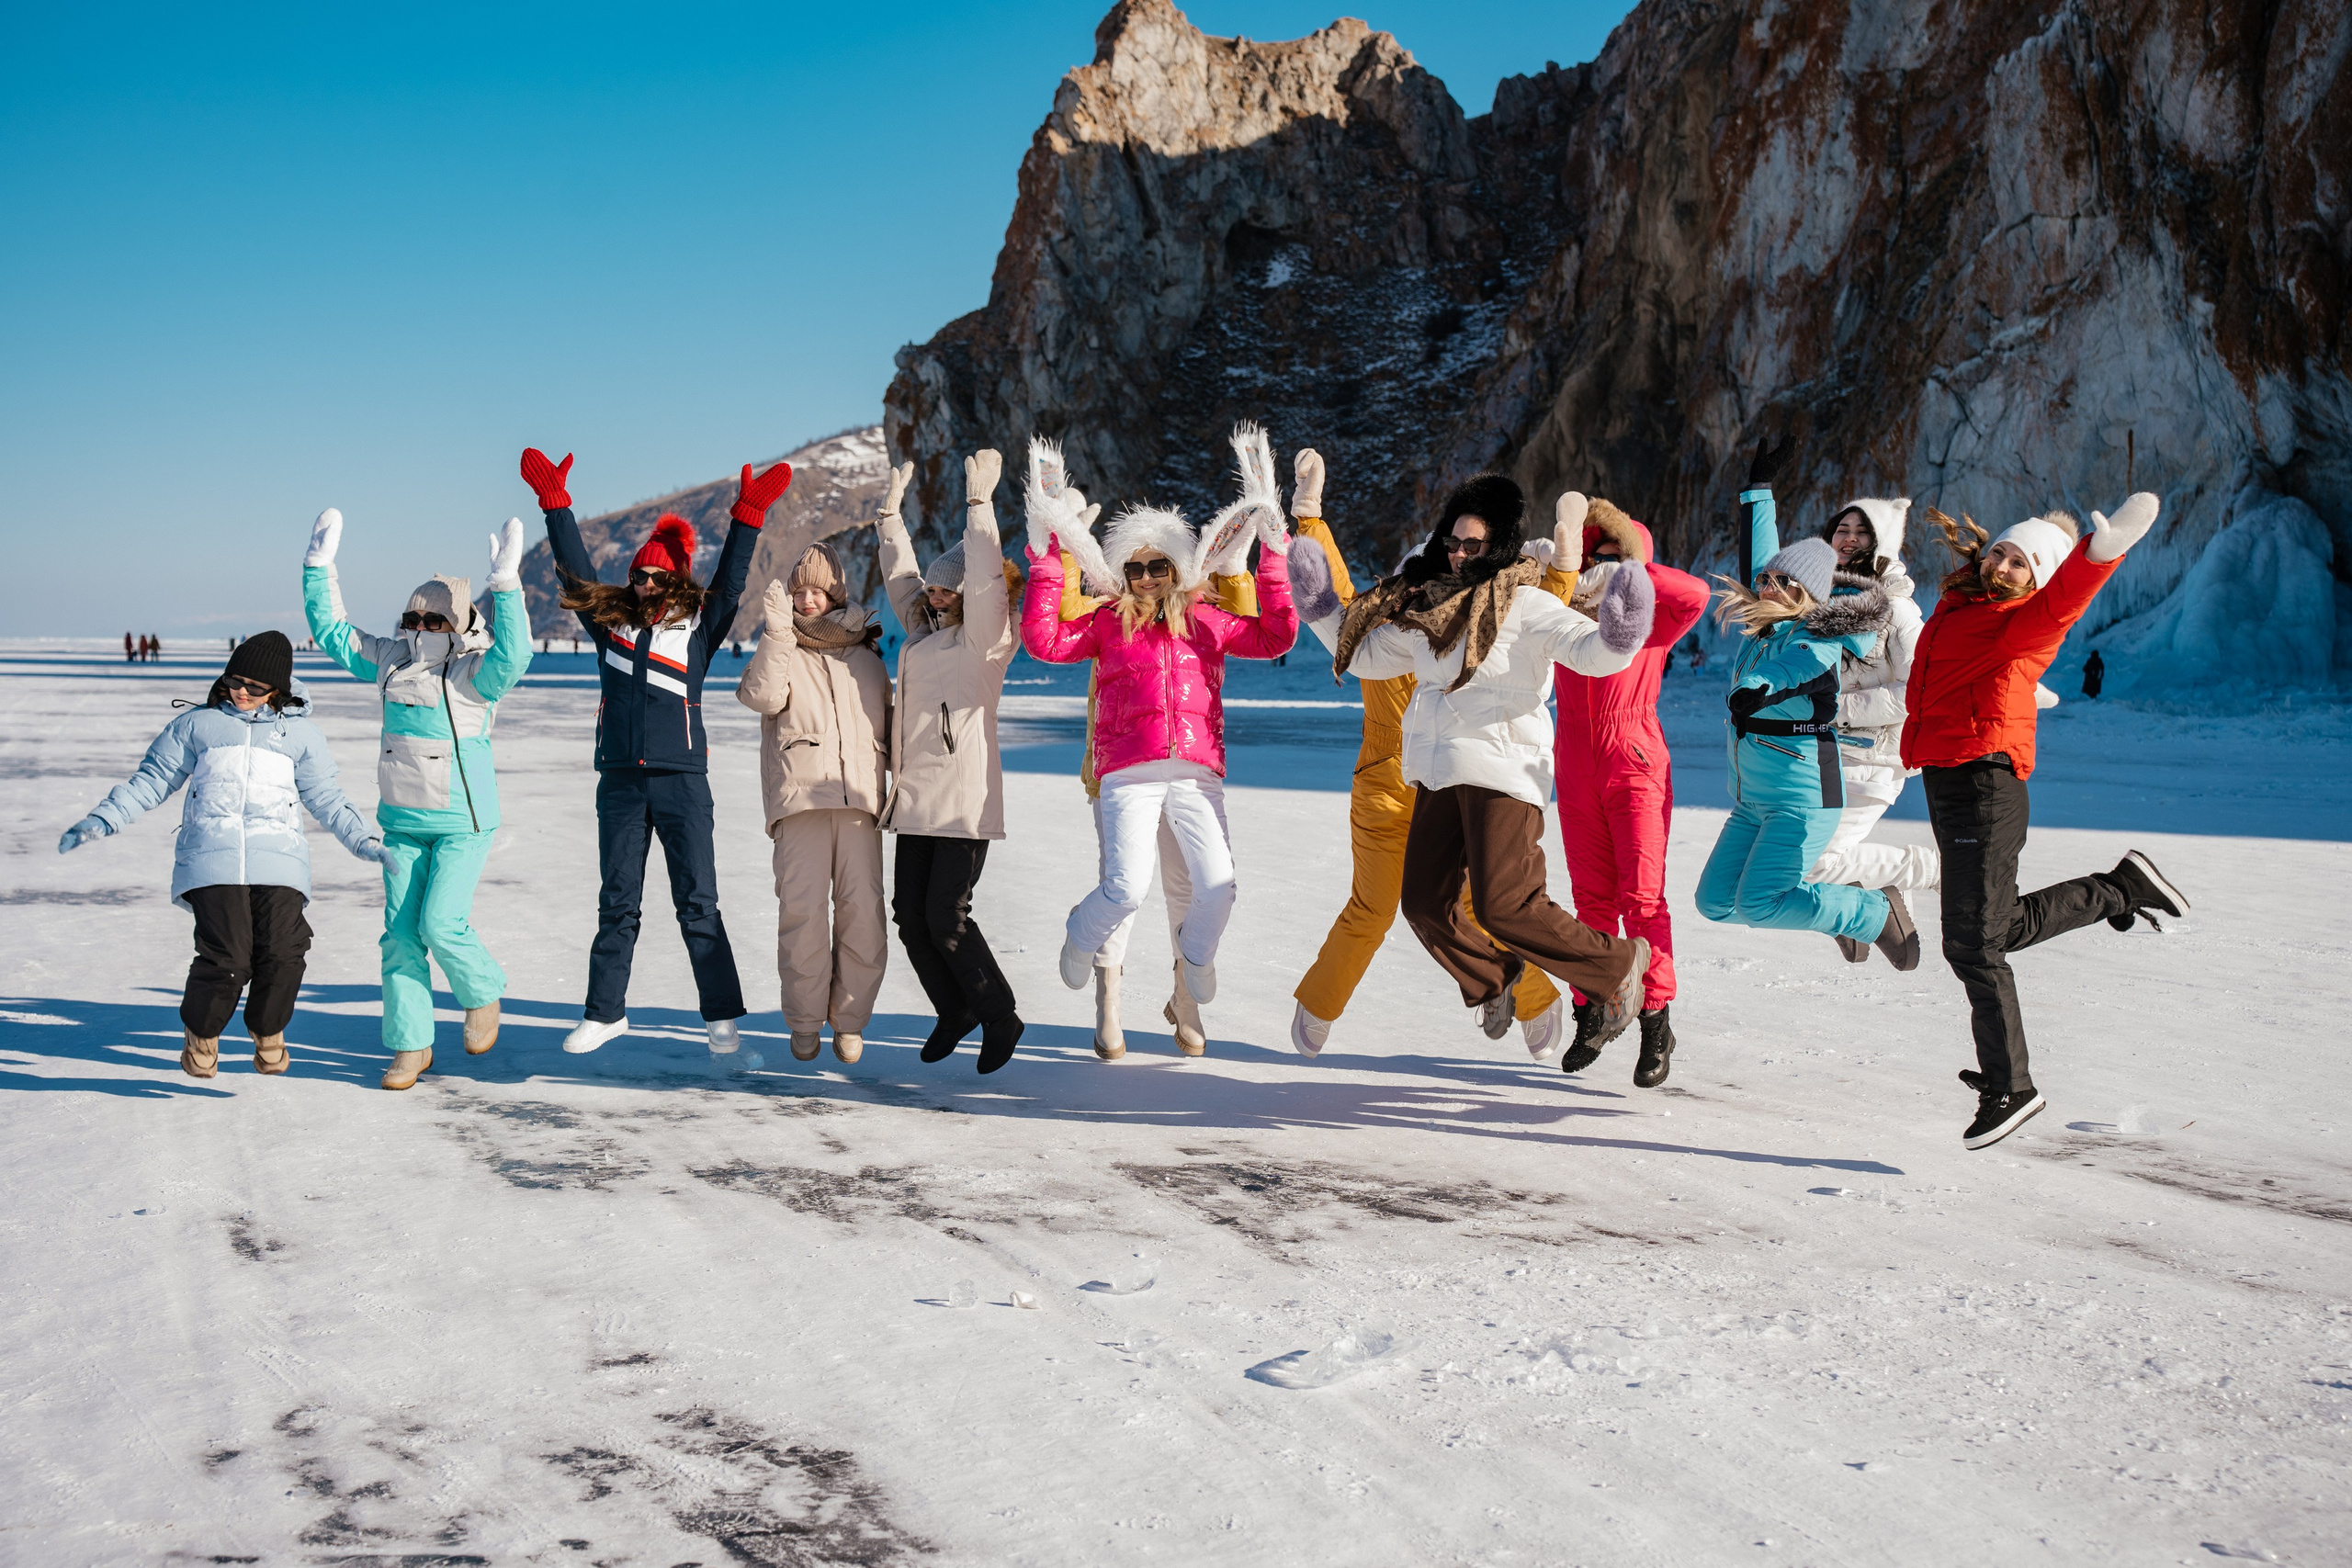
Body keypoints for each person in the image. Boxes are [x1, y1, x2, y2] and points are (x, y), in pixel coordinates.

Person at [1331, 474, 1657, 1062]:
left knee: (1507, 904)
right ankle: (1494, 980)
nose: (1458, 553)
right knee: (1425, 903)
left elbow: (1587, 650)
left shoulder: (1528, 603)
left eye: (1472, 545)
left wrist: (1622, 631)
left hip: (1504, 768)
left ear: (1499, 546)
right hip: (1438, 766)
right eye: (1453, 541)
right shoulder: (1434, 605)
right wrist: (1324, 612)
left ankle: (1617, 963)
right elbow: (1372, 656)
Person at [1903, 494, 2185, 1148]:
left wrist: (2097, 556)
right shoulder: (1959, 605)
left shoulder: (2019, 622)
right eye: (2001, 550)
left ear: (2038, 578)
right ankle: (2120, 888)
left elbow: (2062, 606)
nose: (2002, 565)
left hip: (1984, 784)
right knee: (1990, 932)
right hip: (1949, 781)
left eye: (2021, 564)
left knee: (1974, 944)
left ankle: (2012, 1087)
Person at [1288, 454, 1572, 1061]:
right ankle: (1319, 1002)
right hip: (1384, 791)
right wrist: (1308, 517)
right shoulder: (1381, 632)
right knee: (1374, 906)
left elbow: (1537, 620)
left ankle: (1532, 999)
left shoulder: (1477, 629)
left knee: (1476, 902)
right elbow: (1334, 593)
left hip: (1450, 785)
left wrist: (1559, 570)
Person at [1020, 429, 1299, 1041]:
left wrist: (1273, 555)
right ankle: (1080, 933)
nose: (1147, 578)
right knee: (1124, 886)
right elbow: (1044, 640)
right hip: (1128, 772)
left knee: (1218, 886)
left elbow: (1276, 635)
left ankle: (1195, 958)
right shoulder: (1105, 624)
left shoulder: (1207, 622)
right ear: (1122, 572)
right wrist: (1045, 563)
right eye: (1136, 568)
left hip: (1197, 773)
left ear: (1178, 568)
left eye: (1159, 566)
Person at [522, 447, 781, 1057]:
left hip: (682, 781)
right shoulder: (608, 621)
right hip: (619, 783)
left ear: (676, 581)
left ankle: (721, 1016)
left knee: (698, 904)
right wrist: (556, 506)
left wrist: (747, 514)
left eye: (653, 577)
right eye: (637, 575)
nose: (641, 584)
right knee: (618, 903)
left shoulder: (700, 625)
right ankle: (605, 1012)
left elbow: (734, 578)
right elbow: (577, 570)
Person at [58, 633, 386, 1077]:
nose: (242, 693)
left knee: (285, 950)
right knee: (228, 956)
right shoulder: (197, 725)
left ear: (278, 689)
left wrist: (362, 839)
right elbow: (152, 780)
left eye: (255, 687)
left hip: (280, 859)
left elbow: (327, 796)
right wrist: (103, 819)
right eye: (235, 681)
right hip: (210, 857)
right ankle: (202, 1033)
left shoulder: (302, 735)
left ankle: (269, 1031)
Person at [302, 508, 533, 1089]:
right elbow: (334, 634)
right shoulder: (389, 662)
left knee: (440, 922)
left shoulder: (475, 674)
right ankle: (411, 1046)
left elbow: (517, 655)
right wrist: (318, 567)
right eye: (413, 615)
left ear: (456, 625)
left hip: (463, 823)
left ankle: (481, 995)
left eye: (434, 619)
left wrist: (505, 585)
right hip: (403, 825)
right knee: (400, 937)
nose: (421, 625)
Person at [1737, 443, 1940, 961]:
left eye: (1861, 531)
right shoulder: (1818, 599)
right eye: (1841, 529)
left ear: (1881, 543)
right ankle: (1859, 906)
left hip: (1872, 759)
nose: (1848, 538)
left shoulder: (1895, 609)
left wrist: (1839, 711)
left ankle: (1923, 872)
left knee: (1812, 866)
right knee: (1790, 862)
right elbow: (1764, 575)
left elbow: (1917, 691)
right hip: (1820, 759)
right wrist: (1758, 495)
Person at [1546, 492, 1711, 1081]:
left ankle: (1656, 1022)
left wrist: (1634, 569)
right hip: (1575, 762)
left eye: (1621, 555)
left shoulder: (1654, 617)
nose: (1608, 568)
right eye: (1601, 556)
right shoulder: (1566, 616)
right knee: (1591, 900)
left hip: (1634, 759)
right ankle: (1591, 1008)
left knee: (1641, 899)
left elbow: (1696, 595)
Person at [1694, 533, 1914, 972]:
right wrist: (1759, 486)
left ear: (1805, 594)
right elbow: (1757, 549)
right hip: (1753, 800)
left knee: (1760, 903)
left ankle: (1872, 912)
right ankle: (1832, 908)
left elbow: (1800, 665)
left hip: (1803, 798)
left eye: (1782, 581)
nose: (1767, 588)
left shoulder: (1818, 635)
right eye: (1766, 579)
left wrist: (1760, 686)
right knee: (1714, 902)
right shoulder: (1761, 633)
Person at [876, 450, 1030, 1072]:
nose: (934, 596)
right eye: (934, 588)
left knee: (946, 915)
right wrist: (889, 516)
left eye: (946, 588)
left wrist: (978, 505)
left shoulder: (985, 640)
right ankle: (955, 1008)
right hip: (914, 797)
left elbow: (989, 576)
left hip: (963, 800)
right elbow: (901, 579)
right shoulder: (924, 633)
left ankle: (1000, 1014)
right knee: (910, 918)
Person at [735, 531, 889, 1066]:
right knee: (802, 917)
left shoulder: (867, 658)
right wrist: (777, 636)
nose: (807, 600)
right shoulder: (781, 649)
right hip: (799, 805)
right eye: (799, 591)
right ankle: (803, 1021)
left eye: (817, 592)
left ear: (836, 595)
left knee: (863, 917)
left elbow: (890, 730)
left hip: (859, 808)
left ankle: (849, 1022)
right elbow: (760, 696)